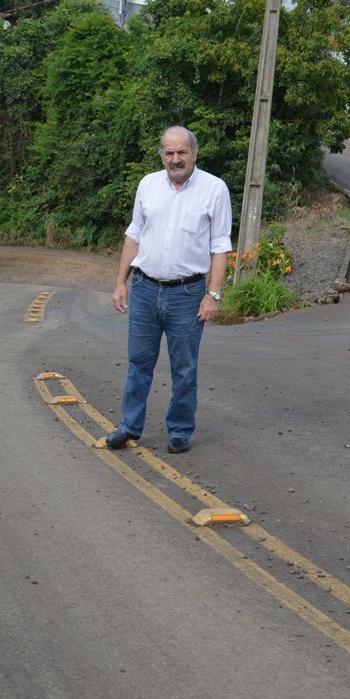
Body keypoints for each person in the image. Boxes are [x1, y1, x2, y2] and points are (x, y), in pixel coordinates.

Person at [107, 126, 232, 454]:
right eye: (169, 153)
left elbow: (220, 246)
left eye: (182, 152)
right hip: (145, 289)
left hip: (188, 294)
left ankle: (179, 430)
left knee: (184, 367)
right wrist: (121, 282)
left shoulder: (214, 189)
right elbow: (134, 235)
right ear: (162, 154)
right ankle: (129, 426)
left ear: (194, 153)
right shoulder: (147, 184)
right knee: (138, 362)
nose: (175, 159)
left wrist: (213, 294)